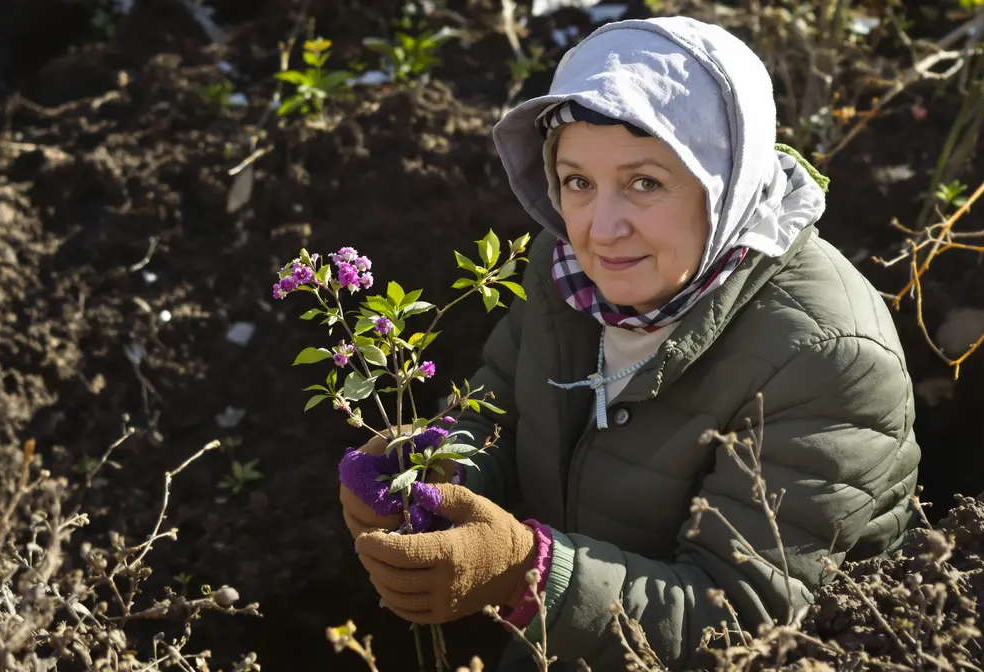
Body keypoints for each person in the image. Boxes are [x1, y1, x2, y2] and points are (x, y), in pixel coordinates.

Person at [337, 15, 921, 671]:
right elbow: (501, 399)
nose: (601, 229)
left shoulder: (825, 357)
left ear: (724, 178)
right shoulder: (567, 275)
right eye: (578, 181)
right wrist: (432, 467)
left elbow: (746, 621)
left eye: (644, 182)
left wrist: (527, 575)